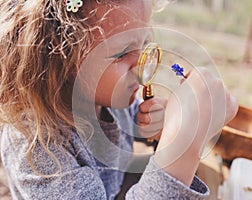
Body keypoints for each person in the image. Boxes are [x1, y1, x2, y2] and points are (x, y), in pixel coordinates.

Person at [0, 0, 238, 199]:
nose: (144, 64)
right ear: (61, 60)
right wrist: (182, 146)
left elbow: (138, 116)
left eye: (144, 44)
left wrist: (160, 119)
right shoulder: (37, 147)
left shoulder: (109, 98)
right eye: (123, 53)